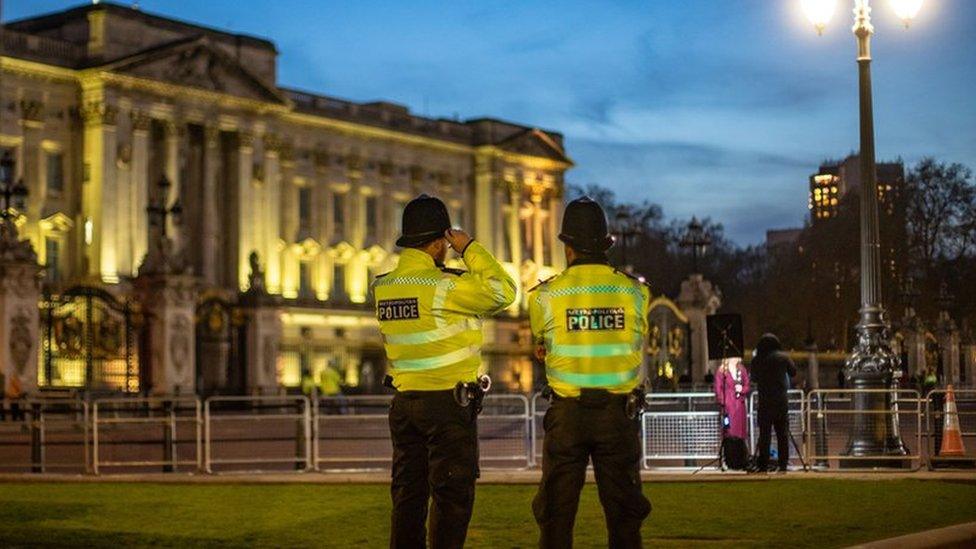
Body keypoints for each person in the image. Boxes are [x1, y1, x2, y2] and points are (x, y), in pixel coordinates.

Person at [373, 194, 516, 549]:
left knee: (408, 497)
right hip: (447, 409)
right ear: (440, 242)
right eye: (446, 244)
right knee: (452, 498)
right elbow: (504, 291)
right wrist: (470, 248)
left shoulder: (384, 287)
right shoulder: (445, 287)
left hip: (405, 404)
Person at [529, 196, 652, 549]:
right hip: (618, 415)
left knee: (555, 517)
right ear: (606, 244)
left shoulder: (544, 296)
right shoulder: (635, 292)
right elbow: (635, 335)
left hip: (567, 416)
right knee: (625, 518)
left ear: (568, 247)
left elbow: (544, 339)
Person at [750, 333, 796, 472]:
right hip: (781, 402)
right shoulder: (783, 357)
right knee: (782, 435)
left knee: (765, 436)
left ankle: (763, 465)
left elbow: (754, 378)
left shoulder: (757, 360)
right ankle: (783, 464)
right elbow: (793, 372)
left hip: (765, 402)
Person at [713, 356, 750, 442]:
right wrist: (724, 402)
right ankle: (729, 450)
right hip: (728, 407)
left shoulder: (742, 369)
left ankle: (739, 451)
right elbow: (718, 389)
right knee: (729, 430)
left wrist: (742, 389)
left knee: (740, 432)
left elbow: (747, 385)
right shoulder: (721, 371)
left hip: (740, 406)